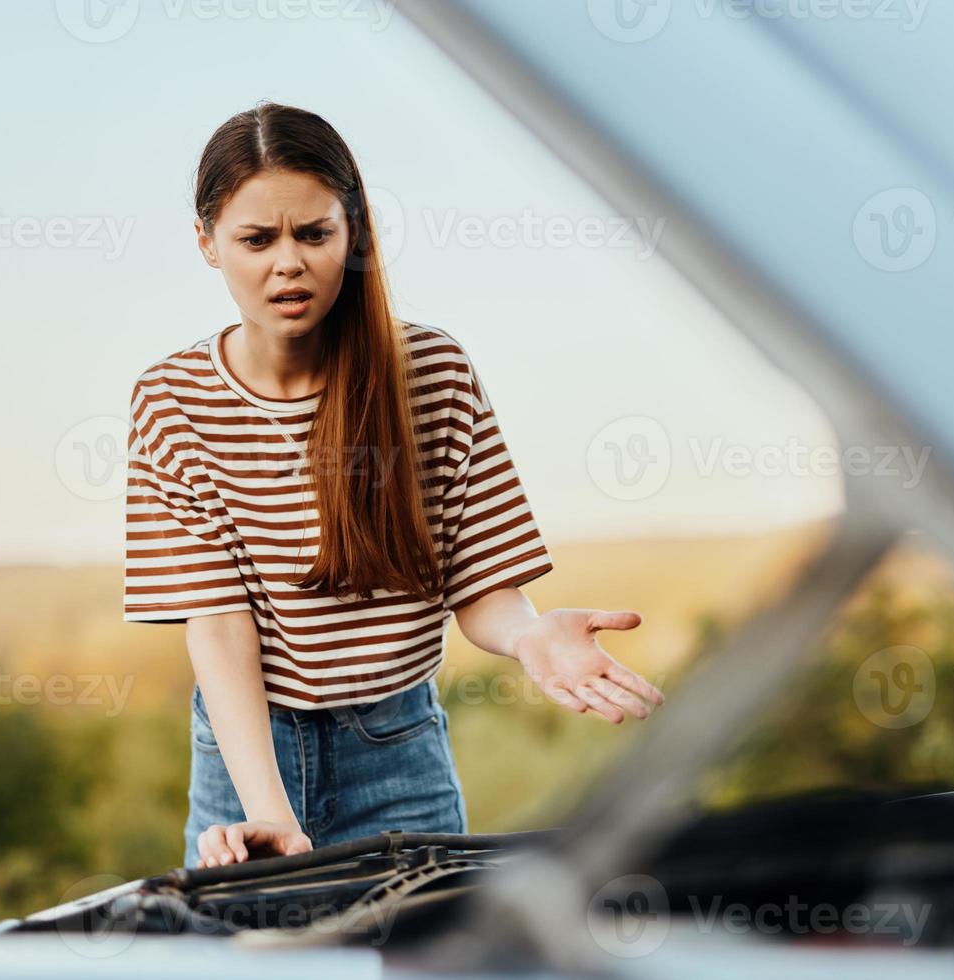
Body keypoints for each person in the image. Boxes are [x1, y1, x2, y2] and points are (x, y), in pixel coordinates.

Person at [123, 101, 665, 871]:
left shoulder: (432, 374)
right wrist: (271, 820)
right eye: (256, 239)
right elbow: (217, 625)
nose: (288, 262)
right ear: (207, 242)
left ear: (352, 236)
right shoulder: (171, 399)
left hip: (397, 751)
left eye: (314, 234)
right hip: (244, 758)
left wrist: (527, 633)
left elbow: (476, 584)